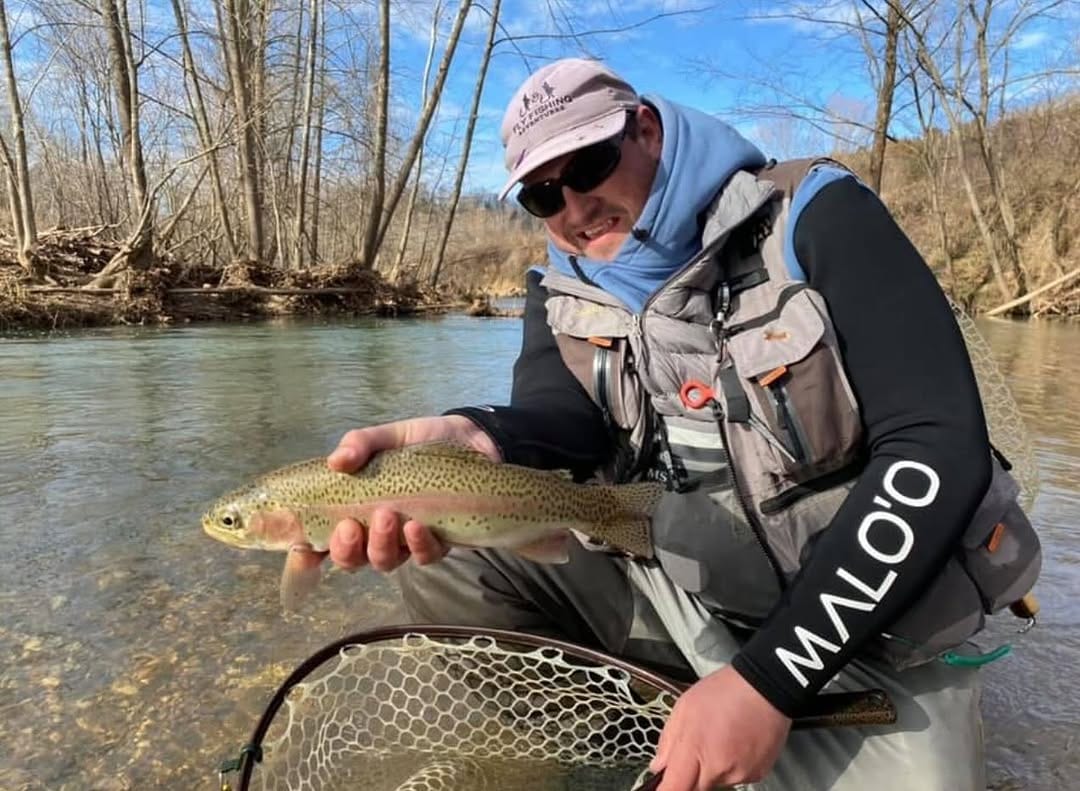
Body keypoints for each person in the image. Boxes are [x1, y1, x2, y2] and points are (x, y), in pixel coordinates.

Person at [294, 59, 1040, 790]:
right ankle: (628, 741)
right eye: (543, 196)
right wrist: (477, 436)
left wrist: (768, 681)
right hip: (695, 595)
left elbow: (936, 451)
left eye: (587, 165)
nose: (574, 209)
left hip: (872, 628)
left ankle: (745, 714)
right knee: (460, 554)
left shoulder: (817, 214)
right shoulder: (558, 293)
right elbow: (563, 421)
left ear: (645, 129)